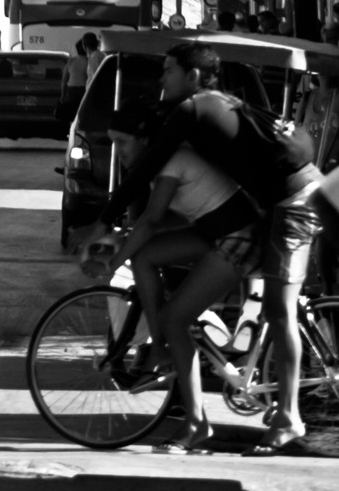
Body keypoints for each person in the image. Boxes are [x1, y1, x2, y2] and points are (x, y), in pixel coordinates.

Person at [89, 41, 321, 456]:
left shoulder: (193, 109)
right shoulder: (214, 105)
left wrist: (105, 221)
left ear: (193, 76)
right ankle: (174, 365)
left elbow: (147, 166)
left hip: (295, 202)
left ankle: (288, 417)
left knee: (279, 311)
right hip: (273, 206)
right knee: (159, 269)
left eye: (168, 71)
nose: (161, 80)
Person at [83, 100, 255, 452]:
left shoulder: (172, 162)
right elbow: (166, 222)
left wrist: (115, 261)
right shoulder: (169, 161)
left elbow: (150, 221)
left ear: (145, 139)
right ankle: (161, 343)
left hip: (238, 239)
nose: (118, 151)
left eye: (123, 142)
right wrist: (124, 243)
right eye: (112, 142)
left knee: (177, 321)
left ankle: (196, 426)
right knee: (146, 257)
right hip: (214, 233)